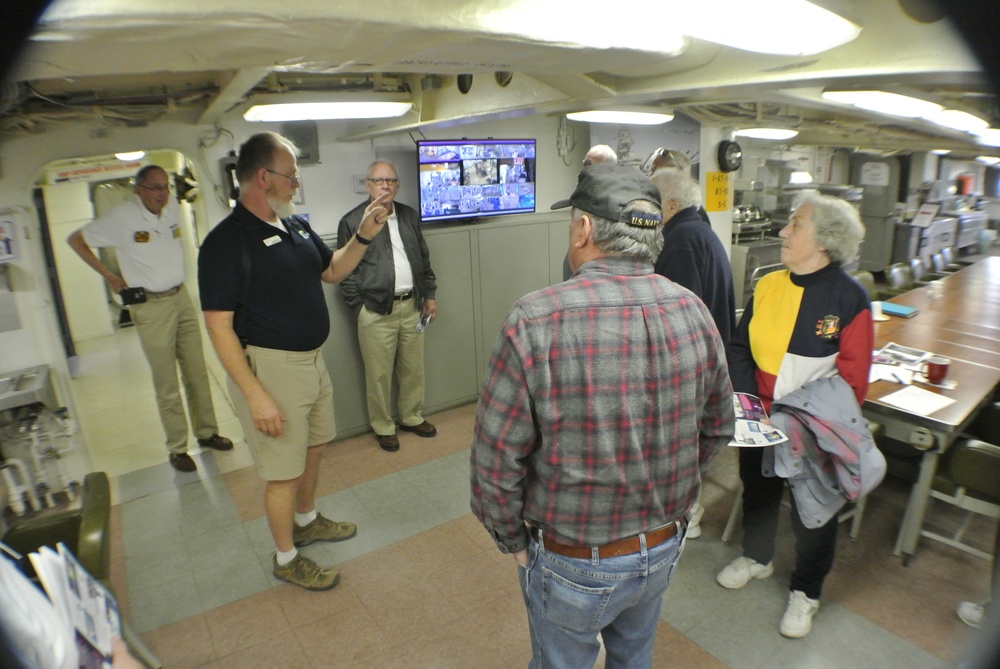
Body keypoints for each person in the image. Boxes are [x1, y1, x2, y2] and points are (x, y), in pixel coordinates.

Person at [471, 163, 735, 668]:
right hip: (662, 544)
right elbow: (719, 423)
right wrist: (667, 483)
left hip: (572, 557)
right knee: (633, 656)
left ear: (585, 228)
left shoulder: (536, 319)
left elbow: (496, 457)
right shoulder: (694, 311)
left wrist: (512, 540)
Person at [198, 132, 389, 591]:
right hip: (271, 370)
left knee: (315, 447)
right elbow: (218, 326)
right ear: (263, 178)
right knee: (282, 472)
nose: (297, 183)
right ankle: (286, 557)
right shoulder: (225, 242)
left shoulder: (295, 225)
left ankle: (306, 521)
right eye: (291, 175)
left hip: (311, 363)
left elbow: (332, 270)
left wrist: (364, 234)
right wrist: (255, 394)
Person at [717, 191, 873, 638]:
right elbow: (739, 348)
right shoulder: (768, 285)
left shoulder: (850, 299)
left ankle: (807, 592)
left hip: (813, 429)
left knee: (813, 511)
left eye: (795, 225)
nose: (784, 232)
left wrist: (797, 422)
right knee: (759, 490)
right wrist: (751, 410)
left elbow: (852, 382)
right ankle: (757, 557)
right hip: (759, 418)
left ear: (824, 241)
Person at [67, 165, 232, 473]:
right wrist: (109, 276)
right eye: (155, 187)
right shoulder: (121, 217)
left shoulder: (170, 210)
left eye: (165, 187)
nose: (162, 193)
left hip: (180, 298)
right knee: (167, 382)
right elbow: (76, 239)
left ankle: (207, 432)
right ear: (138, 190)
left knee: (197, 371)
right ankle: (178, 448)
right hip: (150, 307)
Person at [650, 168, 738, 539]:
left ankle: (688, 512)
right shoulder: (700, 231)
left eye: (653, 203)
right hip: (709, 356)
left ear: (670, 205)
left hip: (691, 365)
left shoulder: (681, 240)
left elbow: (677, 315)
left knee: (681, 441)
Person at [337, 160, 438, 453]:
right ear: (368, 185)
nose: (385, 185)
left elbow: (424, 260)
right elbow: (344, 270)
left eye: (391, 181)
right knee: (378, 374)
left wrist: (428, 295)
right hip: (375, 311)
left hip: (412, 306)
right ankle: (384, 426)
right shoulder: (353, 220)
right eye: (379, 180)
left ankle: (411, 417)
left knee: (412, 370)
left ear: (397, 185)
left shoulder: (408, 215)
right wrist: (359, 307)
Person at [562, 144, 618, 280]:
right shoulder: (584, 190)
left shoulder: (616, 201)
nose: (584, 170)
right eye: (584, 164)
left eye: (589, 164)